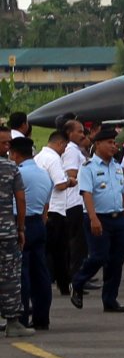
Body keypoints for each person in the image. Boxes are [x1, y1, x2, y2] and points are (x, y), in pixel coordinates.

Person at [69, 128, 124, 313]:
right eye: (110, 142)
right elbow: (86, 194)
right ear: (98, 144)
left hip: (118, 218)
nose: (114, 146)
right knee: (99, 256)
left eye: (114, 142)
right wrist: (93, 218)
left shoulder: (117, 166)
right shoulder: (89, 168)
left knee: (116, 260)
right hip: (98, 218)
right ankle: (78, 281)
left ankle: (110, 299)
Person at [12, 137, 52, 331]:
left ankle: (21, 318)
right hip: (38, 222)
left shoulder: (17, 173)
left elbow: (17, 202)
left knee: (21, 273)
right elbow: (46, 206)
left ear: (16, 154)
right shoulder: (45, 175)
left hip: (21, 222)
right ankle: (42, 317)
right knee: (41, 273)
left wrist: (19, 227)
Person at [0, 127, 31, 337]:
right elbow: (20, 199)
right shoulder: (11, 168)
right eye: (4, 142)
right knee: (10, 277)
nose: (8, 146)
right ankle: (13, 322)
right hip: (6, 232)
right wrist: (21, 228)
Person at [35, 131, 71, 296]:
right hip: (56, 209)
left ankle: (44, 281)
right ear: (61, 144)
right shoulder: (54, 159)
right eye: (64, 147)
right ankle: (63, 285)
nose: (64, 151)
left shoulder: (39, 157)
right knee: (59, 252)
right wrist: (71, 181)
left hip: (43, 208)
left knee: (45, 250)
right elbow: (60, 184)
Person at [62, 120, 90, 285]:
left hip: (77, 201)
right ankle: (77, 278)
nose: (82, 135)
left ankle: (79, 275)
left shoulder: (75, 150)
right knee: (78, 244)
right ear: (69, 133)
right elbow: (71, 172)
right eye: (79, 132)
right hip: (74, 201)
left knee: (80, 243)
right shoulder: (72, 151)